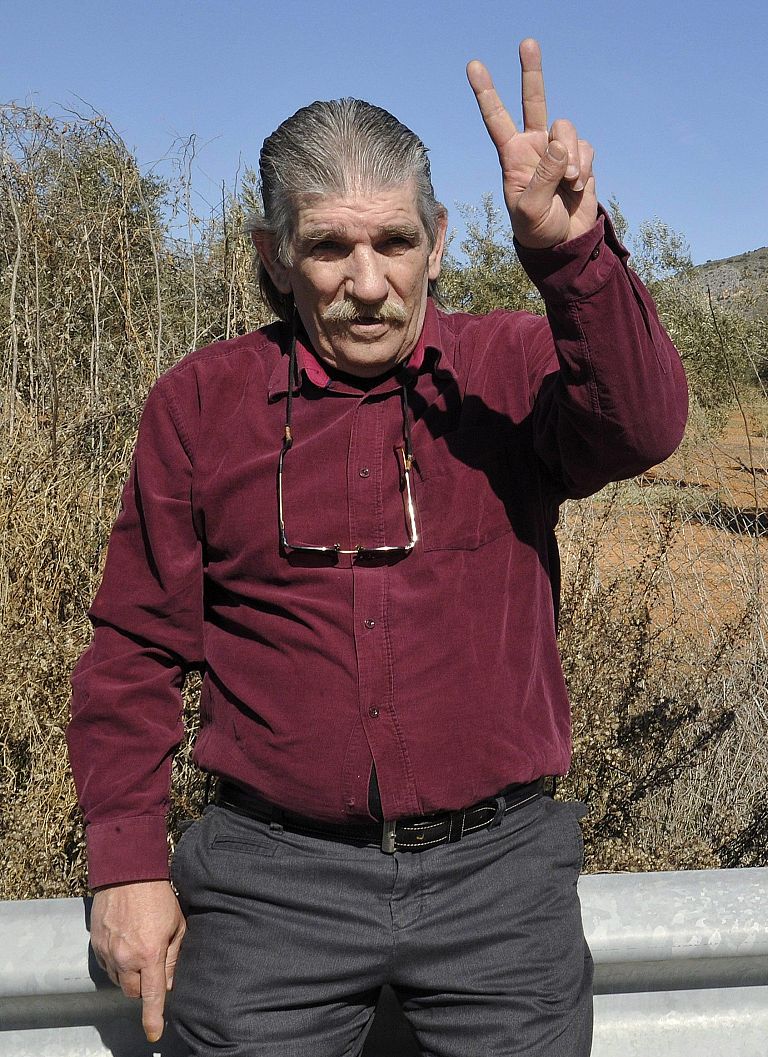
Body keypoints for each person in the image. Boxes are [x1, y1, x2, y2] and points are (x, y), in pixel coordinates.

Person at [66, 38, 687, 1056]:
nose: (367, 282)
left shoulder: (511, 365)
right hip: (272, 888)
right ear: (273, 257)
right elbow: (134, 645)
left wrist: (572, 256)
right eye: (328, 248)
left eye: (394, 242)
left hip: (501, 885)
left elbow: (643, 425)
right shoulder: (201, 403)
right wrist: (126, 863)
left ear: (438, 242)